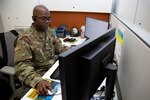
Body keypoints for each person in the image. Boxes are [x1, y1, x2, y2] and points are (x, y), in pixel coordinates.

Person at [14, 5, 69, 96]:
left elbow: (59, 47)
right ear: (34, 18)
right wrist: (38, 81)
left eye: (49, 19)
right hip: (38, 77)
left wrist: (73, 52)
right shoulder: (24, 39)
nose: (47, 22)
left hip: (52, 71)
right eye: (43, 19)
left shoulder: (49, 32)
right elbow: (22, 66)